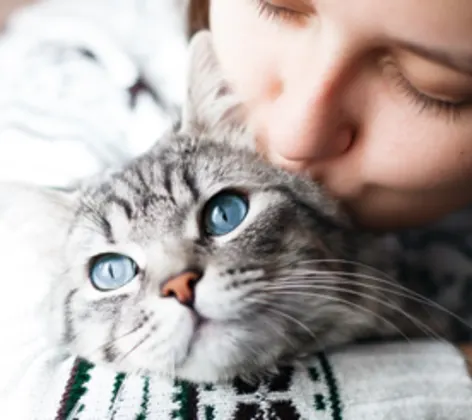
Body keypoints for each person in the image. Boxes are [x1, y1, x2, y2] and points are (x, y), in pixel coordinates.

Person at [0, 0, 471, 418]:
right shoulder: (65, 73)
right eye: (278, 7)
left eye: (433, 85)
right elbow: (35, 398)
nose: (177, 283)